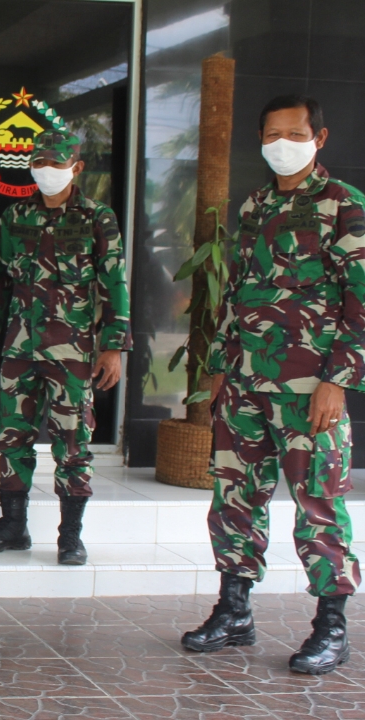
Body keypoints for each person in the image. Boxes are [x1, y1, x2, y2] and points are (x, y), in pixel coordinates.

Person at [182, 95, 364, 676]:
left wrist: (338, 381)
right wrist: (218, 369)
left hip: (310, 388)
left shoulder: (345, 206)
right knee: (235, 497)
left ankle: (330, 625)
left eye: (294, 132)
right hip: (244, 382)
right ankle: (234, 611)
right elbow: (238, 291)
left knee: (319, 502)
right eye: (272, 134)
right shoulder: (257, 204)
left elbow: (361, 303)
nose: (282, 142)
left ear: (319, 136)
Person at [0, 130, 131, 566]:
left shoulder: (97, 217)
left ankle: (70, 535)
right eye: (38, 162)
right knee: (11, 435)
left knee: (73, 440)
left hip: (73, 352)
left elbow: (114, 282)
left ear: (76, 167)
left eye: (55, 163)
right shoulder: (14, 216)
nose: (45, 171)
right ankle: (12, 526)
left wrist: (113, 346)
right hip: (19, 347)